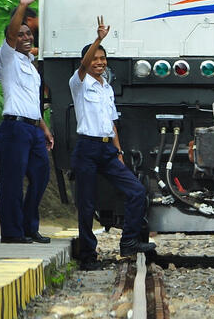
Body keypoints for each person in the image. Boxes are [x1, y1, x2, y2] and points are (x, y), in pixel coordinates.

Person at [69, 16, 155, 270]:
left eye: (103, 58)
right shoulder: (79, 83)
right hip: (87, 148)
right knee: (86, 203)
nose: (99, 62)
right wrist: (98, 39)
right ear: (86, 62)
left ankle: (128, 242)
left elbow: (113, 122)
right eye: (95, 58)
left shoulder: (106, 88)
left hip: (107, 149)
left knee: (136, 191)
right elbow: (84, 65)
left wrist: (117, 150)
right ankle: (88, 255)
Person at [0, 0, 54, 244]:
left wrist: (44, 127)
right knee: (12, 181)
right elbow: (11, 31)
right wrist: (22, 6)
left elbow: (32, 102)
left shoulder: (30, 65)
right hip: (14, 129)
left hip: (32, 128)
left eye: (29, 33)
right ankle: (12, 232)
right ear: (11, 39)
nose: (26, 37)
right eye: (21, 34)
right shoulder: (6, 58)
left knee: (41, 175)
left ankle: (30, 226)